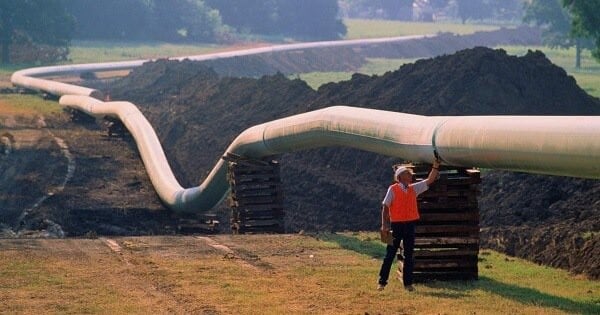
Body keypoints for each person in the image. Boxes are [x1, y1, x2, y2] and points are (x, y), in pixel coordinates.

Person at [377, 159, 441, 292]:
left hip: (410, 225)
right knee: (390, 255)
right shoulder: (392, 189)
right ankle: (382, 282)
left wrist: (435, 166)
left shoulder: (413, 188)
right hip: (397, 226)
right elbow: (385, 207)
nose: (410, 176)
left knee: (409, 255)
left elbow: (429, 180)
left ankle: (408, 284)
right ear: (400, 177)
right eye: (407, 174)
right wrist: (384, 225)